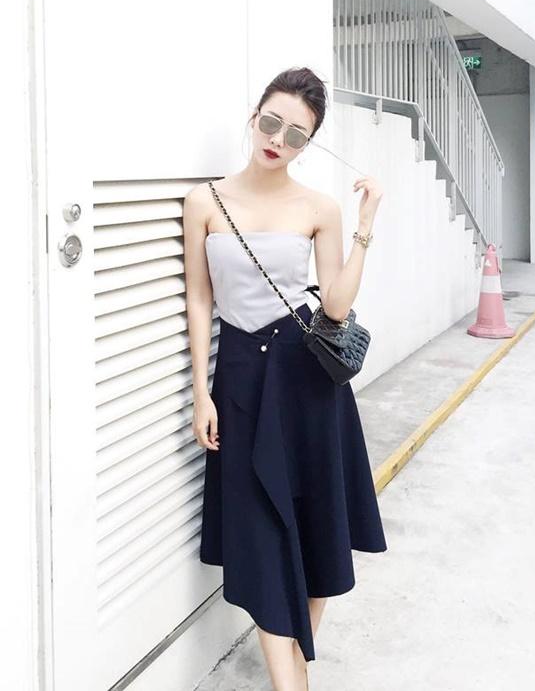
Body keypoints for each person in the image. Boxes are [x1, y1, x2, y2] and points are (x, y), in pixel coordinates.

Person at [183, 66, 388, 690]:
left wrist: (365, 223)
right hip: (242, 378)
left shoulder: (319, 207)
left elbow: (335, 306)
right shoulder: (205, 202)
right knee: (260, 529)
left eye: (296, 134)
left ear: (309, 142)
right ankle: (291, 678)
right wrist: (201, 392)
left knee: (318, 521)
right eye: (271, 122)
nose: (278, 139)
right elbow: (200, 299)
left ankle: (293, 671)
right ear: (254, 117)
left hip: (307, 381)